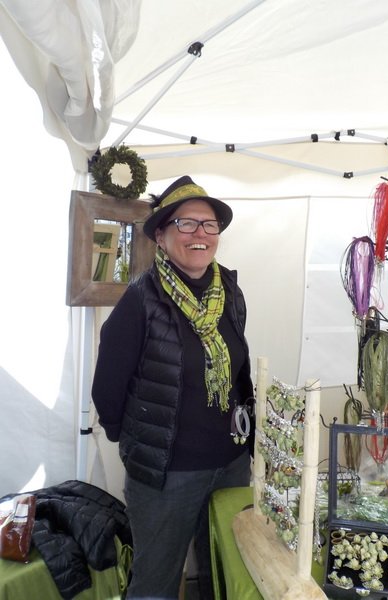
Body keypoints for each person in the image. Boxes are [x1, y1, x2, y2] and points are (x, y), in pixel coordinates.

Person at [91, 175, 254, 600]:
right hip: (167, 473)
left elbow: (238, 368)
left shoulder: (229, 290)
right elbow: (107, 386)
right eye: (186, 223)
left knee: (225, 573)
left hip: (231, 464)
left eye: (209, 224)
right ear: (161, 237)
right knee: (156, 584)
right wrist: (137, 441)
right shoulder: (141, 299)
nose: (200, 233)